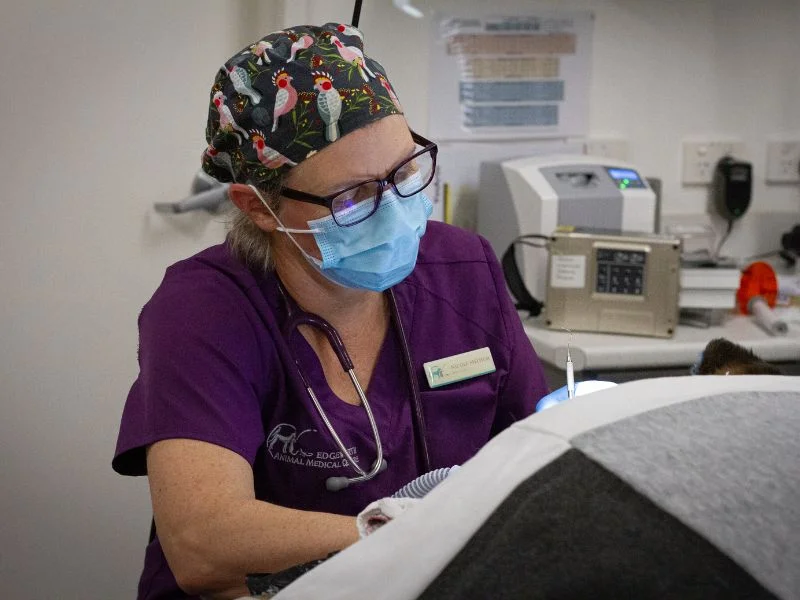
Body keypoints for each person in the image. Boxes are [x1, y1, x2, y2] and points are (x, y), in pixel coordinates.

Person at [113, 23, 548, 600]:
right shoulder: (204, 310)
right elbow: (203, 542)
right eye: (352, 197)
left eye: (405, 171)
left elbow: (537, 458)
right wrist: (400, 535)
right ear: (260, 207)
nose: (395, 210)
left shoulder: (462, 267)